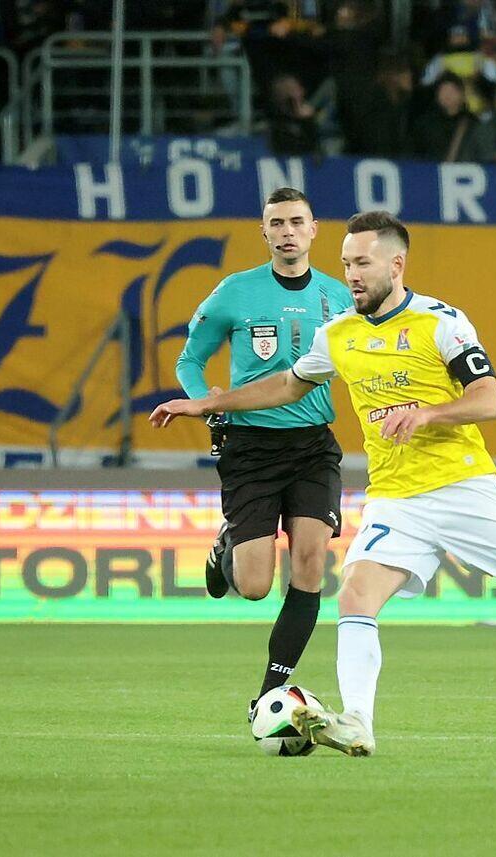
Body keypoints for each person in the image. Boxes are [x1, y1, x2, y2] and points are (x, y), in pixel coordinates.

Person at [153, 211, 496, 758]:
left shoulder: (441, 322)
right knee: (355, 594)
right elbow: (287, 385)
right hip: (396, 499)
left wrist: (429, 414)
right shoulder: (338, 333)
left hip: (464, 487)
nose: (352, 276)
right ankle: (358, 722)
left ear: (396, 265)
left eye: (363, 264)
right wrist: (207, 404)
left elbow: (490, 399)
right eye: (346, 264)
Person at [173, 187, 353, 722]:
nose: (288, 232)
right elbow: (189, 360)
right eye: (277, 223)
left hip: (313, 445)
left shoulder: (339, 297)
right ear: (264, 232)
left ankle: (271, 694)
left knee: (310, 564)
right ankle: (225, 545)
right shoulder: (235, 292)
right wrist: (208, 406)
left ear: (314, 229)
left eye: (297, 221)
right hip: (251, 447)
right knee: (253, 587)